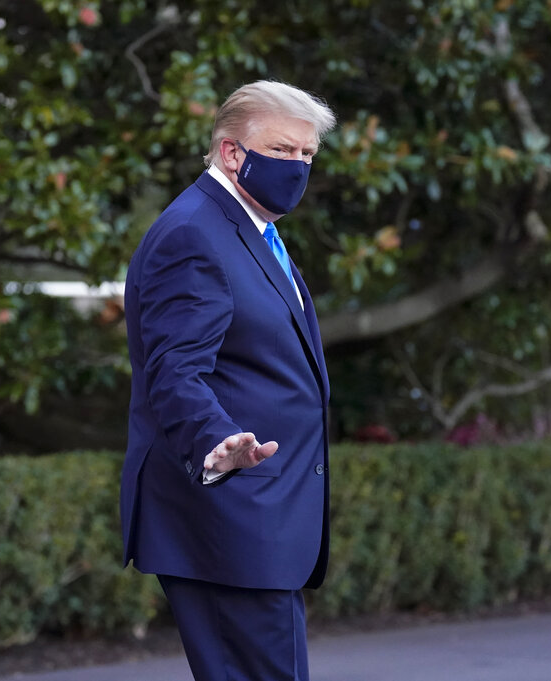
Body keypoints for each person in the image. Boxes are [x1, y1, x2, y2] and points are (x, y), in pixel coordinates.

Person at [120, 80, 337, 681]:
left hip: (257, 523)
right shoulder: (194, 233)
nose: (296, 166)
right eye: (283, 150)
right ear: (230, 153)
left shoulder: (252, 227)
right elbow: (174, 368)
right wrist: (215, 440)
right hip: (225, 518)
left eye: (306, 155)